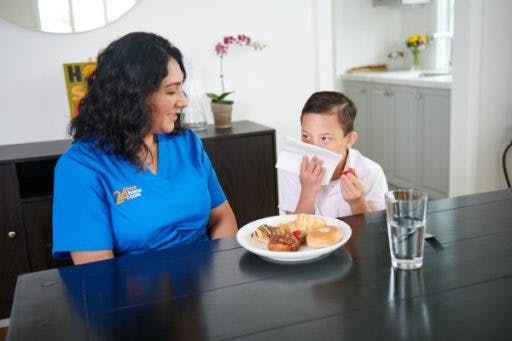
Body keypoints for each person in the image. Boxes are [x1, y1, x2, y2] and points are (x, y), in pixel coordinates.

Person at [52, 32, 237, 265]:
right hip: (137, 298)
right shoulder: (80, 168)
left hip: (206, 287)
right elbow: (97, 274)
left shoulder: (186, 142)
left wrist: (220, 275)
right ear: (134, 96)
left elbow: (222, 217)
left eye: (181, 88)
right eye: (171, 91)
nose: (183, 101)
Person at [279, 91, 388, 218]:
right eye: (306, 136)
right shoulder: (295, 169)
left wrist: (357, 202)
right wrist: (307, 191)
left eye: (325, 138)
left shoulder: (371, 172)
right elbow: (293, 231)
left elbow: (376, 231)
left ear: (349, 140)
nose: (313, 148)